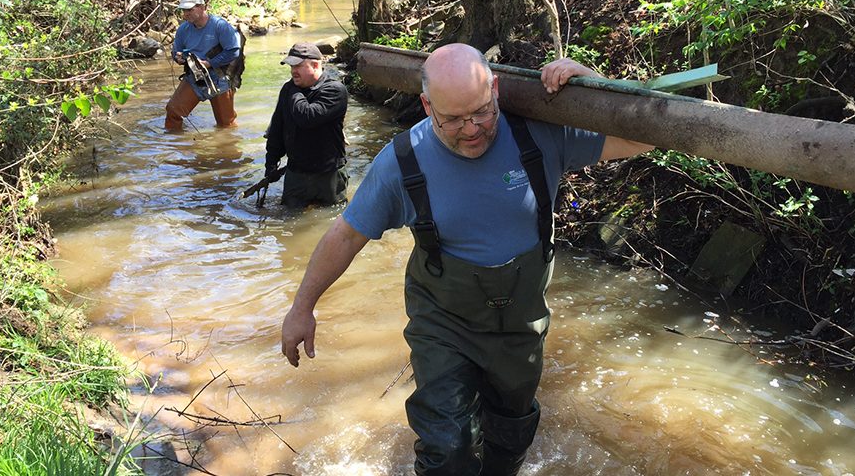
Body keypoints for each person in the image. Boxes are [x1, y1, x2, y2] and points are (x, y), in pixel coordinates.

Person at [280, 43, 654, 475]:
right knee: (449, 447)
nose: (471, 128)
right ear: (425, 106)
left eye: (481, 112)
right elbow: (345, 235)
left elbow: (640, 135)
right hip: (444, 324)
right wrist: (302, 307)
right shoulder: (403, 162)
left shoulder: (540, 133)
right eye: (453, 119)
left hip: (521, 323)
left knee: (510, 434)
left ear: (495, 89)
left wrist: (594, 85)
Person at [264, 42, 349, 208]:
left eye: (298, 66)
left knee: (330, 219)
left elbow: (307, 117)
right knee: (289, 222)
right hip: (297, 173)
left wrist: (293, 90)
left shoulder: (335, 90)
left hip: (328, 174)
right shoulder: (289, 90)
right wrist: (271, 163)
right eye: (291, 66)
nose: (293, 71)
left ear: (316, 65)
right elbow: (278, 128)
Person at [165, 0, 242, 130]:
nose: (186, 13)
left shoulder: (220, 25)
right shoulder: (183, 29)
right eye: (184, 10)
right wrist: (178, 58)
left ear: (202, 7)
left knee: (226, 124)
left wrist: (209, 63)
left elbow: (234, 51)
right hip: (195, 77)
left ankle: (228, 149)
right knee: (173, 112)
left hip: (219, 78)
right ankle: (175, 146)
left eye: (189, 9)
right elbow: (176, 52)